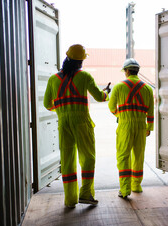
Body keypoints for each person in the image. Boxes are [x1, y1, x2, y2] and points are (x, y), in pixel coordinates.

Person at [43, 44, 111, 208]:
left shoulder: (53, 79)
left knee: (67, 160)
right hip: (81, 122)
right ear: (81, 61)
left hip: (63, 123)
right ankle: (86, 194)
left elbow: (47, 104)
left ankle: (70, 199)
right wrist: (107, 92)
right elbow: (99, 97)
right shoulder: (85, 76)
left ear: (67, 58)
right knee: (88, 157)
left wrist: (62, 109)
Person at [108, 58, 154, 199]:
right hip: (141, 126)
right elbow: (151, 112)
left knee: (123, 156)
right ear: (137, 71)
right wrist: (149, 128)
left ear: (127, 71)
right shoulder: (147, 88)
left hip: (125, 125)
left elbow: (111, 107)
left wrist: (119, 115)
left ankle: (125, 189)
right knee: (138, 156)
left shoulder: (118, 87)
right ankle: (136, 185)